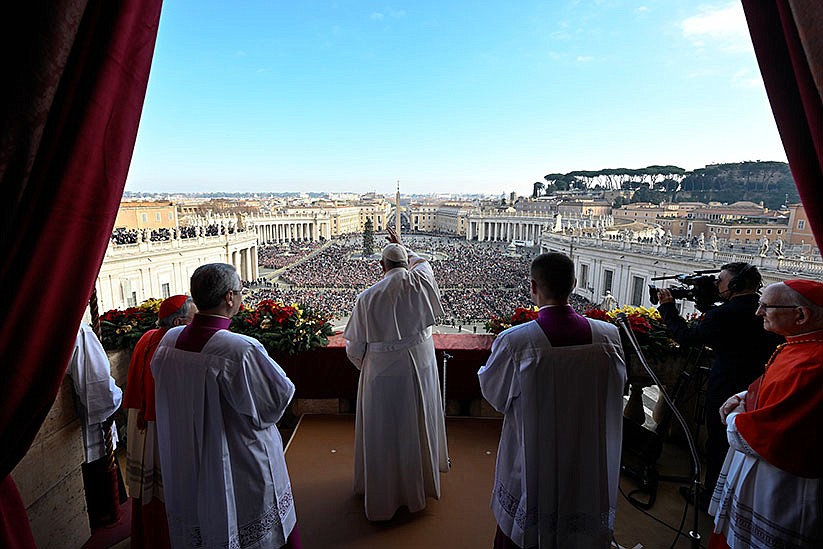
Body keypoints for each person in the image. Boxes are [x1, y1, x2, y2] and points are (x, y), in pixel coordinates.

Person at [478, 252, 626, 548]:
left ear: (533, 286)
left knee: (531, 508)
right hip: (587, 448)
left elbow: (495, 395)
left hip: (535, 449)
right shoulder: (609, 336)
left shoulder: (516, 340)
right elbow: (617, 388)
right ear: (573, 283)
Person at [151, 263, 300, 548]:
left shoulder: (169, 341)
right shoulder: (240, 349)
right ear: (230, 298)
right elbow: (274, 403)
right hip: (238, 458)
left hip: (188, 454)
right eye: (241, 292)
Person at [656, 262, 784, 508]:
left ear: (734, 285)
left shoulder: (723, 314)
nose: (717, 285)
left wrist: (668, 309)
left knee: (718, 443)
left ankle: (709, 498)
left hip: (726, 387)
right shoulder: (763, 309)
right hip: (760, 387)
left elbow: (686, 337)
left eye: (721, 280)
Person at [343, 226, 449, 521]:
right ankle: (420, 487)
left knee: (385, 433)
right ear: (406, 263)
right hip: (422, 363)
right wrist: (403, 246)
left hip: (382, 372)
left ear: (381, 267)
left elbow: (353, 347)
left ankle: (383, 495)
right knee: (417, 425)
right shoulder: (422, 282)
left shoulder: (366, 297)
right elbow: (422, 263)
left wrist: (369, 366)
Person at [709, 279, 823, 548]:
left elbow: (778, 430)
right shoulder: (798, 344)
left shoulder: (815, 363)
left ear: (801, 314)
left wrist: (736, 419)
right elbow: (774, 386)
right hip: (761, 468)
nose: (758, 312)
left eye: (765, 306)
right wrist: (743, 396)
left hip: (783, 483)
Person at [123, 295, 195, 549]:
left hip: (140, 421)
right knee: (166, 493)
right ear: (178, 321)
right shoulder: (176, 344)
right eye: (192, 318)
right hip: (160, 425)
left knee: (147, 490)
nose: (195, 323)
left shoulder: (146, 337)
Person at [67, 322, 127, 528]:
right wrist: (119, 396)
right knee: (105, 522)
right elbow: (101, 393)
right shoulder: (78, 330)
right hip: (92, 442)